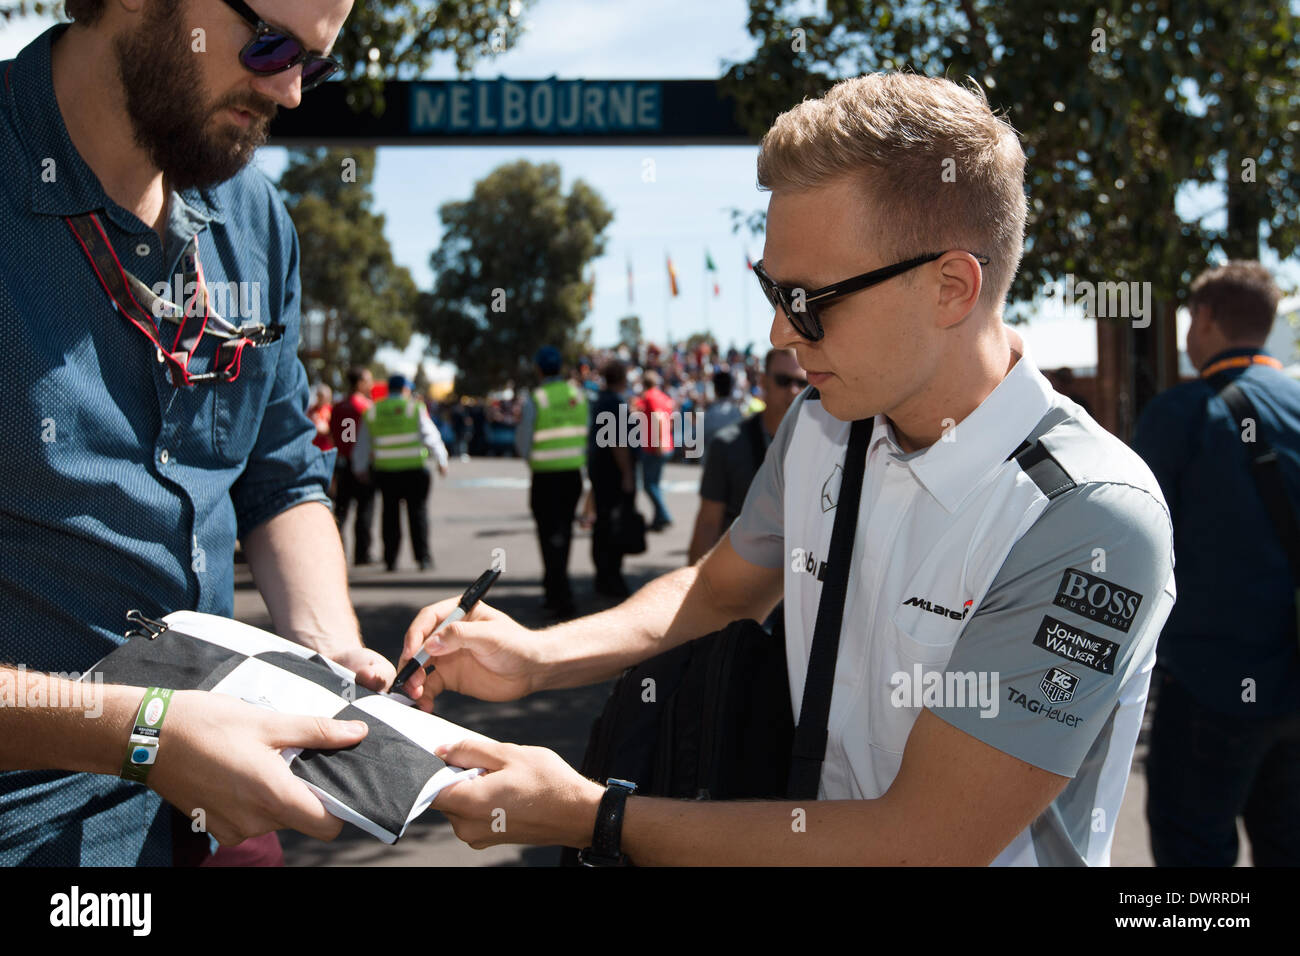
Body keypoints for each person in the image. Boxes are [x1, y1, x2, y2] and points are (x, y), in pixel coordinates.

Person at [399, 72, 1175, 866]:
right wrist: (536, 658)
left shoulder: (1087, 519)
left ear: (950, 288)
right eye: (772, 288)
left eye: (808, 298)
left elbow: (924, 843)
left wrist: (595, 816)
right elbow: (719, 588)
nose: (777, 331)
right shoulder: (821, 425)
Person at [0, 0, 396, 866]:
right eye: (271, 44)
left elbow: (280, 478)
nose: (291, 91)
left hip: (208, 816)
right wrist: (142, 732)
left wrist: (329, 651)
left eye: (316, 65)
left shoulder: (258, 224)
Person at [1132, 261, 1300, 866]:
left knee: (1194, 864)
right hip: (1293, 681)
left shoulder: (1181, 415)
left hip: (1209, 683)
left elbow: (1128, 546)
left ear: (1204, 319)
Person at [687, 348, 806, 565]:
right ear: (763, 381)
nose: (794, 390)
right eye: (783, 380)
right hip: (739, 580)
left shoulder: (828, 441)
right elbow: (708, 524)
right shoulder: (728, 444)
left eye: (802, 383)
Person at [516, 347, 588, 620]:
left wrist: (533, 460)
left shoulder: (537, 398)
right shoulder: (578, 395)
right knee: (564, 535)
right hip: (572, 476)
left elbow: (524, 439)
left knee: (548, 537)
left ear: (539, 369)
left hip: (545, 477)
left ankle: (557, 594)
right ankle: (557, 589)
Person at [354, 374, 449, 572]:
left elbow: (362, 443)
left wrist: (360, 467)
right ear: (406, 389)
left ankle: (390, 560)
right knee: (418, 514)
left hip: (386, 472)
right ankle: (422, 558)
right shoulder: (414, 408)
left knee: (389, 516)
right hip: (414, 471)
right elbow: (431, 436)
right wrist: (441, 460)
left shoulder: (374, 410)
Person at [588, 360, 637, 598]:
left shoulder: (598, 400)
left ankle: (603, 576)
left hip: (599, 469)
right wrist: (627, 474)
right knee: (613, 524)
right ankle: (611, 577)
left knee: (602, 524)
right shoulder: (615, 403)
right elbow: (618, 442)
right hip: (613, 474)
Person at [330, 366, 376, 565]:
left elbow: (336, 435)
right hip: (360, 463)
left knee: (341, 511)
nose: (371, 384)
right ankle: (362, 554)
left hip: (341, 464)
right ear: (359, 383)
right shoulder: (364, 407)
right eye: (368, 380)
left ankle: (338, 552)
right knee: (364, 511)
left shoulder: (339, 406)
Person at [636, 370, 675, 531]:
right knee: (655, 484)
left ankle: (664, 515)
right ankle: (659, 519)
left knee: (649, 485)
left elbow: (658, 419)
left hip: (655, 447)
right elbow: (670, 420)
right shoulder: (664, 398)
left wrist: (658, 442)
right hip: (666, 444)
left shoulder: (649, 397)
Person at [308, 383, 334, 452]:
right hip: (313, 447)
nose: (320, 398)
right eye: (319, 395)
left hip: (326, 449)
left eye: (322, 396)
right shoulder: (311, 410)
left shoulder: (331, 410)